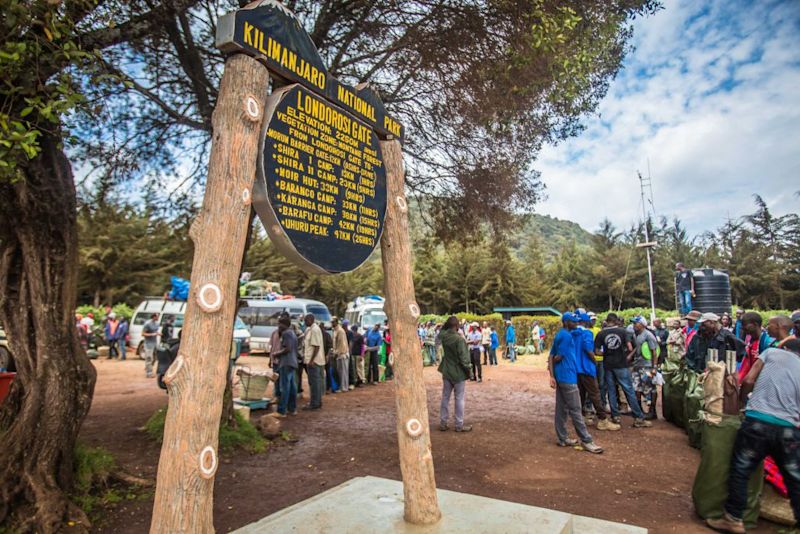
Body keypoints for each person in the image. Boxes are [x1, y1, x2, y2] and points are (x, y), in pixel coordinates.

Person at [706, 339, 800, 533]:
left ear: (786, 348)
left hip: (758, 421)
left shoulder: (772, 353)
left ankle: (734, 519)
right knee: (794, 478)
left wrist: (742, 404)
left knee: (741, 469)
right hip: (788, 429)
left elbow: (748, 380)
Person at [549, 313, 603, 453]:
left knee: (561, 409)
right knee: (576, 409)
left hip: (561, 376)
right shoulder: (567, 337)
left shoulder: (560, 334)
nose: (576, 324)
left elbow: (550, 355)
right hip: (568, 377)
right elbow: (557, 357)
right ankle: (587, 440)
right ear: (567, 322)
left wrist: (552, 375)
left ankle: (562, 438)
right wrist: (555, 364)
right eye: (574, 322)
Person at [595, 313, 652, 428]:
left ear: (607, 321)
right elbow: (631, 347)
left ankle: (615, 417)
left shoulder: (601, 333)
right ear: (616, 321)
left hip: (608, 365)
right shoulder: (623, 331)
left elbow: (597, 351)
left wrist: (606, 353)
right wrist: (627, 355)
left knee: (611, 390)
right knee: (628, 390)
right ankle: (638, 418)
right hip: (621, 364)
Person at [574, 312, 619, 431]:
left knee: (581, 394)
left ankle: (581, 416)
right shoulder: (587, 333)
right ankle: (603, 419)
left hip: (576, 368)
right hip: (587, 368)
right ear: (586, 321)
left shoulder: (572, 333)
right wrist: (594, 361)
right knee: (595, 393)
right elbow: (589, 350)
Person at [438, 316, 473, 432]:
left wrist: (446, 325)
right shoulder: (459, 340)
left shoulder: (444, 336)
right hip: (458, 373)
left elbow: (441, 331)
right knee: (459, 399)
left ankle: (443, 423)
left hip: (447, 371)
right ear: (457, 326)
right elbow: (464, 359)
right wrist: (469, 371)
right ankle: (459, 425)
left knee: (445, 397)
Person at [630, 316, 659, 420]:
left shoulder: (648, 335)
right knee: (636, 387)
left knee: (649, 388)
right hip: (638, 364)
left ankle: (652, 411)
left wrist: (654, 367)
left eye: (635, 323)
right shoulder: (637, 335)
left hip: (647, 366)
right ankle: (639, 410)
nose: (634, 325)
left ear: (642, 324)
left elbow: (654, 352)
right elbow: (637, 348)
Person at [271, 316, 299, 417]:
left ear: (284, 325)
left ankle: (281, 410)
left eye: (279, 324)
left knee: (285, 387)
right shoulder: (292, 333)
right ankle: (292, 408)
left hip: (286, 363)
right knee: (292, 386)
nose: (278, 326)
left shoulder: (286, 333)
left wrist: (276, 354)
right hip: (292, 362)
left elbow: (287, 349)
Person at [738, 312, 775, 382]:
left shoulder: (768, 342)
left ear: (755, 324)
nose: (744, 329)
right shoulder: (750, 342)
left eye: (745, 326)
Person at [302, 314, 325, 410]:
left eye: (306, 320)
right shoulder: (310, 329)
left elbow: (316, 346)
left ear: (311, 320)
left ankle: (314, 403)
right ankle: (317, 402)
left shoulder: (315, 329)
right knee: (316, 382)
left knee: (314, 383)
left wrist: (311, 360)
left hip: (314, 361)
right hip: (314, 360)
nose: (305, 322)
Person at [330, 318, 349, 393]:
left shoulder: (340, 331)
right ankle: (342, 386)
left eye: (333, 322)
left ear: (336, 322)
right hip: (338, 354)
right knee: (340, 372)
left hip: (342, 354)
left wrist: (336, 353)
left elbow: (341, 344)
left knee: (343, 372)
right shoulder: (335, 330)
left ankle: (344, 387)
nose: (332, 323)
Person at [142, 313, 160, 378]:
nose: (158, 317)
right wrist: (152, 334)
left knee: (155, 357)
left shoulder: (157, 324)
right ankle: (149, 373)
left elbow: (155, 332)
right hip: (148, 343)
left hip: (155, 343)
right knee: (149, 357)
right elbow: (143, 334)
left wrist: (158, 334)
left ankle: (148, 367)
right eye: (157, 316)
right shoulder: (147, 324)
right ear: (154, 317)